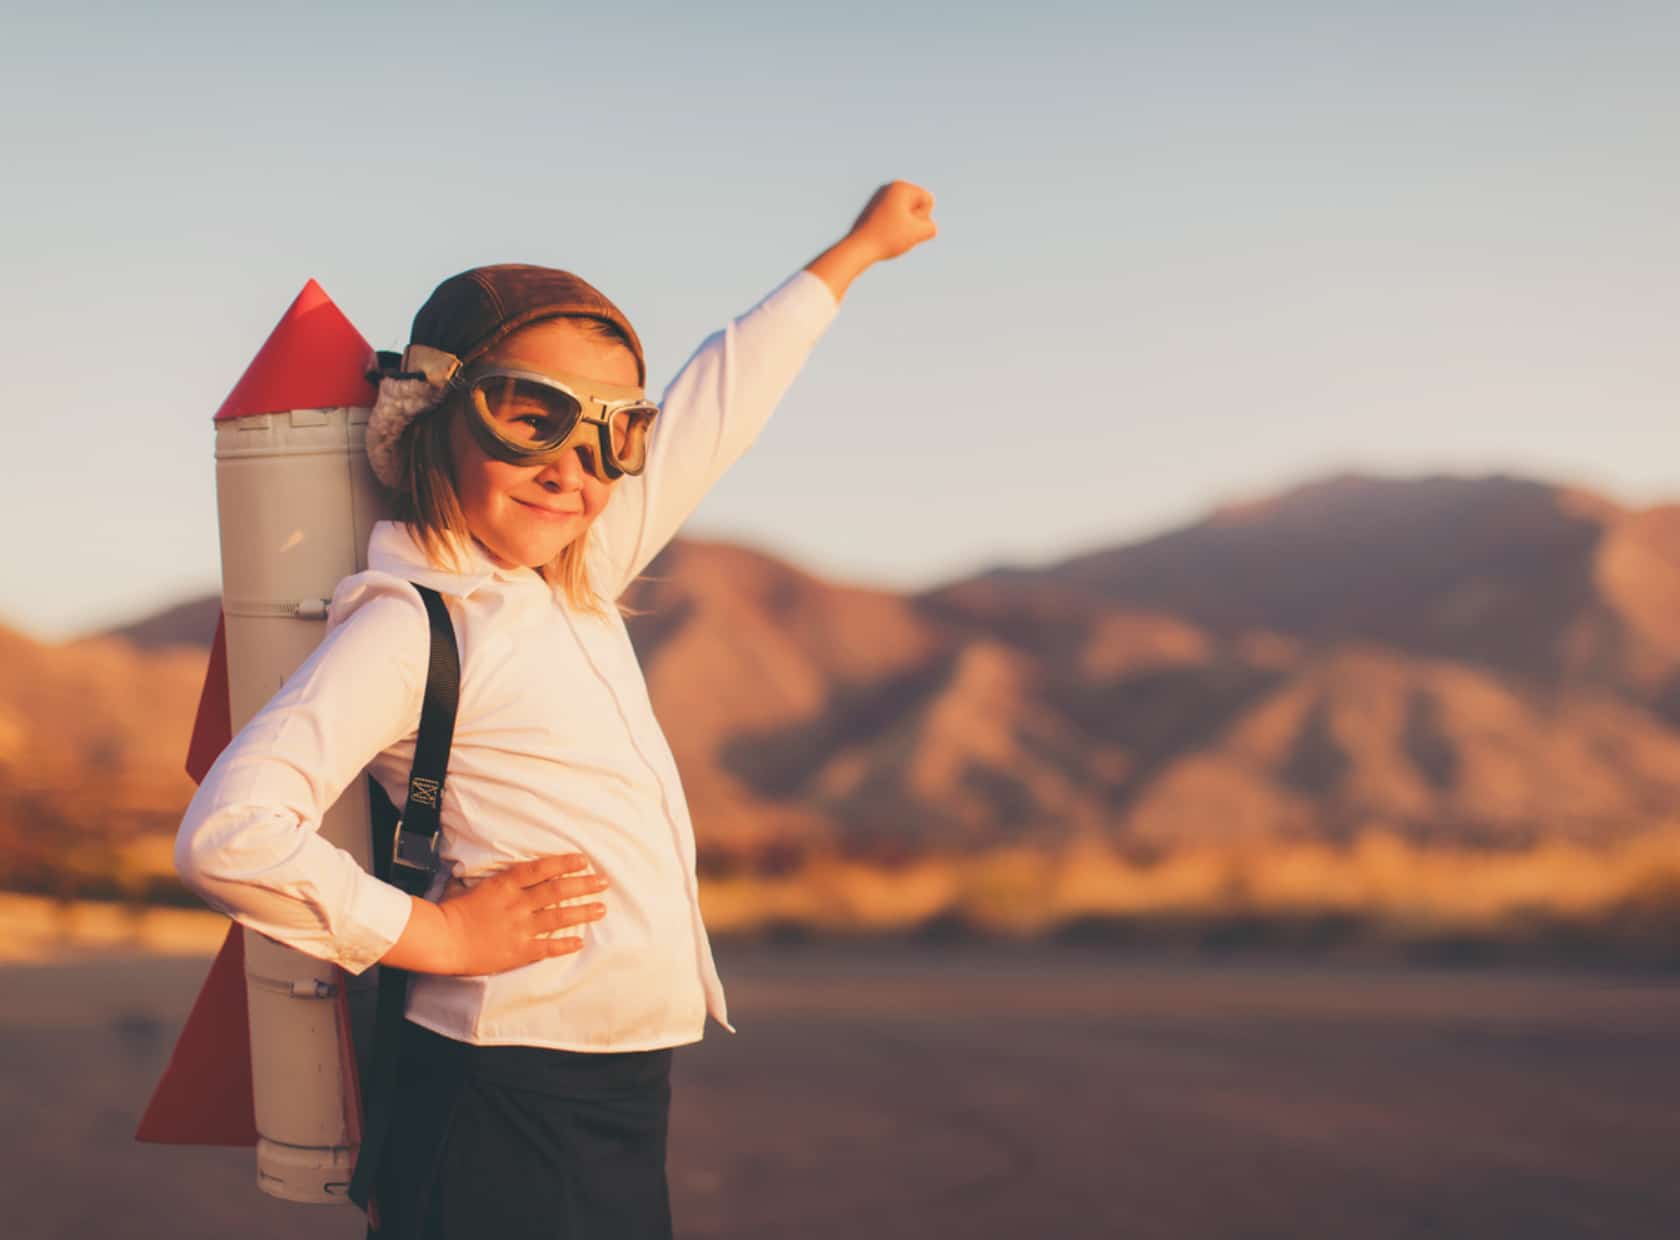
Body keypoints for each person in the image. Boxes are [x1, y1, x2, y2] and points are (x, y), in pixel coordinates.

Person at [174, 180, 938, 1239]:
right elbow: (229, 833)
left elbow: (718, 411)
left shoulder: (569, 580)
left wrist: (850, 257)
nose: (573, 466)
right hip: (505, 1089)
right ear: (434, 412)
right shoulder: (412, 624)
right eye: (532, 415)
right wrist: (433, 932)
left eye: (614, 433)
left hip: (614, 1079)